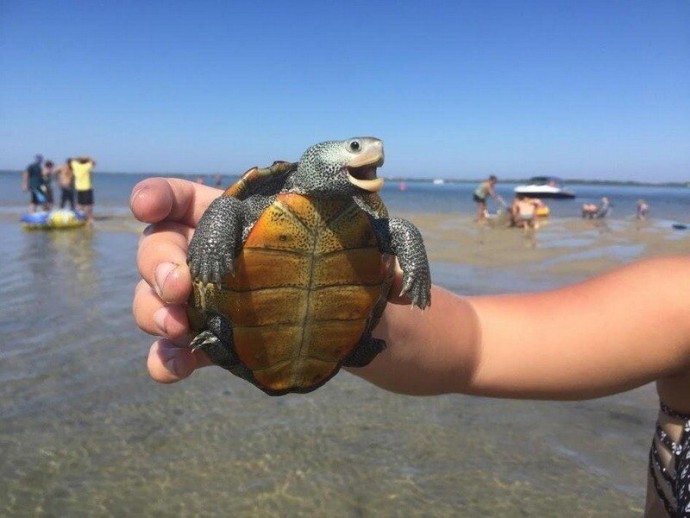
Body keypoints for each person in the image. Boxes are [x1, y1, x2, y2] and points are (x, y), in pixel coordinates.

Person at [130, 178, 690, 516]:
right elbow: (475, 342)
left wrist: (402, 272)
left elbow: (400, 235)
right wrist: (337, 319)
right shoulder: (678, 301)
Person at [69, 156, 96, 223]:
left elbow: (72, 159)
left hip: (78, 188)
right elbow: (94, 162)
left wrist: (80, 158)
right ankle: (89, 218)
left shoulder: (75, 165)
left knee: (79, 204)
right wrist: (88, 158)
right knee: (89, 204)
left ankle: (79, 217)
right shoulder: (86, 166)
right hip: (87, 187)